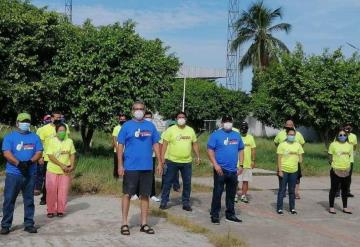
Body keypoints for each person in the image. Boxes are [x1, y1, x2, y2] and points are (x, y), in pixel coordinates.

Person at [117, 101, 162, 235]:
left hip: (147, 166)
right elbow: (120, 146)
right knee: (127, 194)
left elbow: (156, 144)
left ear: (144, 110)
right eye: (136, 109)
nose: (139, 111)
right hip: (130, 166)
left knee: (145, 195)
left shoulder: (150, 126)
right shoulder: (126, 126)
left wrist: (160, 161)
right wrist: (120, 164)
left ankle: (144, 223)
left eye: (141, 109)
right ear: (132, 111)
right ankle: (125, 223)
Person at [1, 113, 43, 235]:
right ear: (17, 123)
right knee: (9, 200)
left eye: (28, 121)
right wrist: (19, 163)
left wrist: (30, 162)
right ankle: (6, 225)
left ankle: (29, 224)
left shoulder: (35, 137)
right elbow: (7, 153)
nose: (26, 123)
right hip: (13, 174)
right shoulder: (10, 137)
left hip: (30, 174)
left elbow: (39, 152)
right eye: (23, 121)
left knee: (29, 200)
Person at [160, 111, 201, 211]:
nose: (181, 119)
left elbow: (194, 144)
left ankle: (186, 203)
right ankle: (164, 202)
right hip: (171, 161)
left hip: (187, 162)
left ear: (186, 119)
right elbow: (164, 145)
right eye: (179, 117)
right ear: (176, 119)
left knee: (187, 183)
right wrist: (161, 159)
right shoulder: (170, 130)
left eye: (183, 117)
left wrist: (198, 156)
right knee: (167, 182)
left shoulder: (190, 130)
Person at [208, 115, 244, 224]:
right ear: (222, 123)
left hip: (233, 170)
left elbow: (241, 150)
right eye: (226, 121)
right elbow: (210, 150)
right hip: (220, 169)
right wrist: (215, 165)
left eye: (229, 121)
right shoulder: (216, 135)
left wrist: (241, 165)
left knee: (231, 194)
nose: (228, 123)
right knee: (218, 192)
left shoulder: (237, 135)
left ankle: (230, 214)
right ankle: (215, 215)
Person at [36, 111, 70, 205]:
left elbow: (67, 141)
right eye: (56, 117)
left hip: (62, 158)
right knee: (48, 180)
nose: (58, 119)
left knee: (60, 179)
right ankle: (45, 198)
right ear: (51, 118)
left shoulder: (65, 127)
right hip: (48, 158)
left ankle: (58, 198)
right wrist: (40, 157)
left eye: (59, 117)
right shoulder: (44, 129)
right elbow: (40, 144)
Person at [45, 123, 76, 218]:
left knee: (63, 190)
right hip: (52, 170)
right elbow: (50, 156)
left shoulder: (69, 141)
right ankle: (50, 210)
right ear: (56, 131)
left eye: (64, 130)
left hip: (65, 171)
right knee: (51, 190)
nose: (62, 132)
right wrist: (61, 165)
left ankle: (60, 210)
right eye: (60, 130)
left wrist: (72, 165)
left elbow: (72, 154)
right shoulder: (51, 141)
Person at [274, 120, 305, 199]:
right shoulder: (280, 134)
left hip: (294, 159)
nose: (288, 126)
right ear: (285, 125)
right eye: (287, 125)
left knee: (297, 177)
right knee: (281, 176)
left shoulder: (298, 134)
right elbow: (276, 142)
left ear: (293, 125)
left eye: (290, 125)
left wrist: (297, 151)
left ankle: (296, 192)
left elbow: (302, 143)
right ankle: (282, 191)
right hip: (283, 160)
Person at [276, 128, 304, 215]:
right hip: (284, 170)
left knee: (292, 191)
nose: (291, 136)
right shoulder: (282, 145)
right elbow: (279, 158)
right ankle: (279, 208)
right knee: (282, 190)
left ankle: (292, 208)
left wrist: (299, 157)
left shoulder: (298, 145)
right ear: (287, 135)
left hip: (294, 171)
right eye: (290, 134)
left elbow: (300, 158)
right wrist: (280, 170)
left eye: (293, 135)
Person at [328, 128, 353, 214]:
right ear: (337, 136)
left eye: (344, 135)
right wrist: (334, 166)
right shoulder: (333, 144)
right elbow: (330, 156)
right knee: (334, 189)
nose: (342, 136)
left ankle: (345, 207)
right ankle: (331, 207)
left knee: (345, 190)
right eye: (340, 135)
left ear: (347, 136)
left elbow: (349, 157)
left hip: (346, 170)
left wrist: (347, 167)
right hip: (336, 170)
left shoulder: (349, 145)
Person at [237, 121, 256, 203]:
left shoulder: (251, 138)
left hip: (248, 163)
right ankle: (234, 195)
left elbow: (253, 149)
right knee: (235, 181)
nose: (243, 130)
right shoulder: (236, 137)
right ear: (240, 129)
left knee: (245, 181)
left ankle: (243, 195)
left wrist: (253, 160)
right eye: (242, 128)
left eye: (245, 128)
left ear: (247, 129)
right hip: (237, 164)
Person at [160, 120, 180, 192]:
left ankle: (176, 187)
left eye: (173, 126)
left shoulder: (178, 133)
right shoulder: (164, 133)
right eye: (170, 126)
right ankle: (164, 187)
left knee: (176, 173)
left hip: (175, 157)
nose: (171, 127)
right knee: (165, 174)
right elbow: (161, 145)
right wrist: (161, 157)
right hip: (166, 157)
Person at [343, 123, 357, 197]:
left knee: (348, 176)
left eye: (350, 126)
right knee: (339, 176)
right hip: (341, 160)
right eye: (347, 125)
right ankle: (338, 192)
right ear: (344, 127)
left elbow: (354, 146)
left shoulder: (354, 136)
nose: (348, 127)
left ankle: (347, 191)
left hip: (350, 160)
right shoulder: (340, 135)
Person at [111, 113, 127, 179]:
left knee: (125, 166)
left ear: (126, 120)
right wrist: (117, 150)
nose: (122, 120)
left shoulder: (127, 128)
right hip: (117, 151)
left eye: (123, 119)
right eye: (121, 119)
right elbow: (114, 139)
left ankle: (124, 178)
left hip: (126, 151)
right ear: (119, 120)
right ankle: (116, 178)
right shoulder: (116, 128)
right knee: (117, 165)